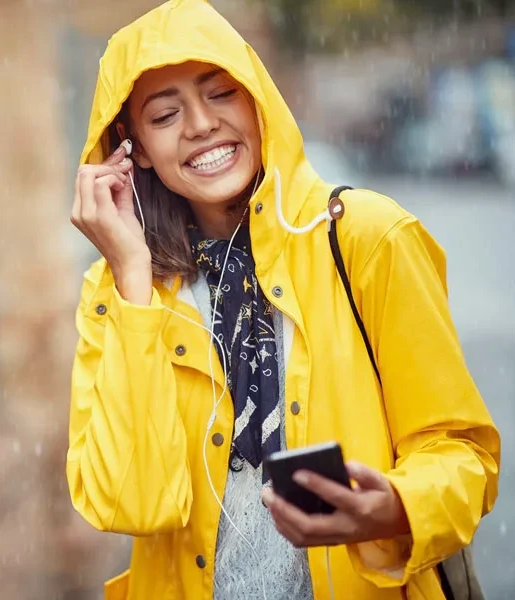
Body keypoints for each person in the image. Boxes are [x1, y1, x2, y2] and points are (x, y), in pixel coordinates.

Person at [65, 1, 501, 599]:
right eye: (164, 114)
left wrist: (396, 508)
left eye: (222, 94)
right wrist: (132, 279)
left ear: (257, 100)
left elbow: (463, 458)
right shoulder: (116, 291)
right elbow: (133, 503)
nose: (199, 124)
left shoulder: (366, 239)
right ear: (131, 148)